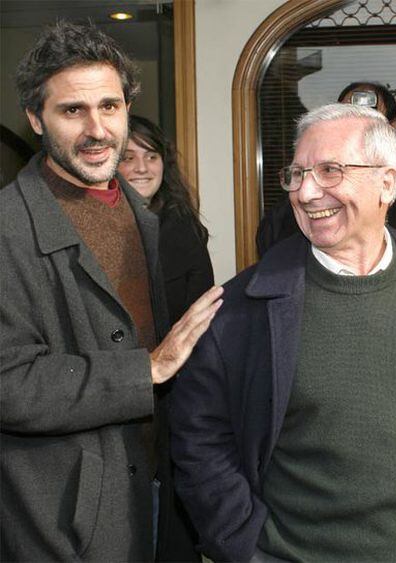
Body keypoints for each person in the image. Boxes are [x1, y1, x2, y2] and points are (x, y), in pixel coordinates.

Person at [0, 20, 223, 562]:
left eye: (110, 106)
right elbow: (9, 382)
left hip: (150, 496)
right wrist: (146, 368)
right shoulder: (8, 227)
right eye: (72, 110)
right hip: (59, 523)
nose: (97, 129)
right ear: (36, 119)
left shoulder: (140, 213)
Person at [170, 103, 396, 562]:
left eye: (329, 171)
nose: (305, 192)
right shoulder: (239, 312)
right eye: (297, 174)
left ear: (388, 182)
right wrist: (248, 549)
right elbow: (200, 445)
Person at [256, 81, 396, 256]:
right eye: (343, 119)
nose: (308, 194)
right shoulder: (299, 201)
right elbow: (270, 239)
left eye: (369, 124)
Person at [118, 116, 214, 325]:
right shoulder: (88, 228)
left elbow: (201, 316)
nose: (142, 168)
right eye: (128, 158)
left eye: (152, 157)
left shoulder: (186, 230)